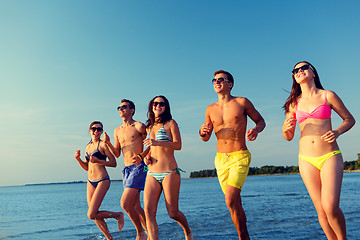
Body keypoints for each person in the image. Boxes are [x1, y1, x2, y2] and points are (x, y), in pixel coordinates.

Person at [282, 61, 355, 240]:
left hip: (330, 155)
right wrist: (285, 128)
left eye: (303, 68)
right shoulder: (293, 103)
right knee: (321, 210)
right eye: (295, 70)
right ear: (294, 77)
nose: (299, 71)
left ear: (313, 73)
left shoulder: (327, 95)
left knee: (330, 206)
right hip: (306, 159)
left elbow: (349, 119)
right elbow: (289, 136)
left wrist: (337, 132)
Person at [199, 70, 266, 240]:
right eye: (214, 80)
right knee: (234, 204)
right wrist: (202, 132)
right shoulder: (210, 109)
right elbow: (205, 138)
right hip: (220, 159)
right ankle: (244, 237)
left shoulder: (242, 102)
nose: (217, 82)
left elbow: (261, 120)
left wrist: (256, 130)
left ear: (230, 84)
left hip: (239, 156)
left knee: (230, 199)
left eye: (221, 79)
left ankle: (243, 236)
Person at [139, 95, 193, 240]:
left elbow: (178, 145)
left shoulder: (171, 123)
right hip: (151, 173)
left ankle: (187, 231)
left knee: (173, 212)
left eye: (161, 104)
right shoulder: (149, 127)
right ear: (151, 106)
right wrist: (146, 157)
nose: (158, 106)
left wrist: (156, 143)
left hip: (170, 172)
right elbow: (151, 149)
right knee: (149, 212)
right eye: (155, 103)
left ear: (166, 107)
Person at [103, 99, 148, 240]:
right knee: (135, 205)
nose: (120, 109)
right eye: (119, 107)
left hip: (140, 167)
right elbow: (117, 153)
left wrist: (143, 156)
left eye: (124, 107)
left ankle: (140, 233)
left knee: (125, 204)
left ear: (132, 110)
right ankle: (151, 233)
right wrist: (108, 143)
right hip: (126, 169)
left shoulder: (139, 126)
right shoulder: (117, 130)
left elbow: (151, 144)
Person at [74, 121, 124, 240]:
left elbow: (114, 163)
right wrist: (78, 159)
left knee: (91, 214)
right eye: (94, 129)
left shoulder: (103, 145)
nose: (96, 131)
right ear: (90, 130)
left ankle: (118, 215)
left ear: (102, 131)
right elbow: (87, 167)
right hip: (90, 181)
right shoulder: (87, 146)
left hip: (103, 180)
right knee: (95, 214)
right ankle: (109, 238)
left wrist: (99, 161)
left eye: (99, 129)